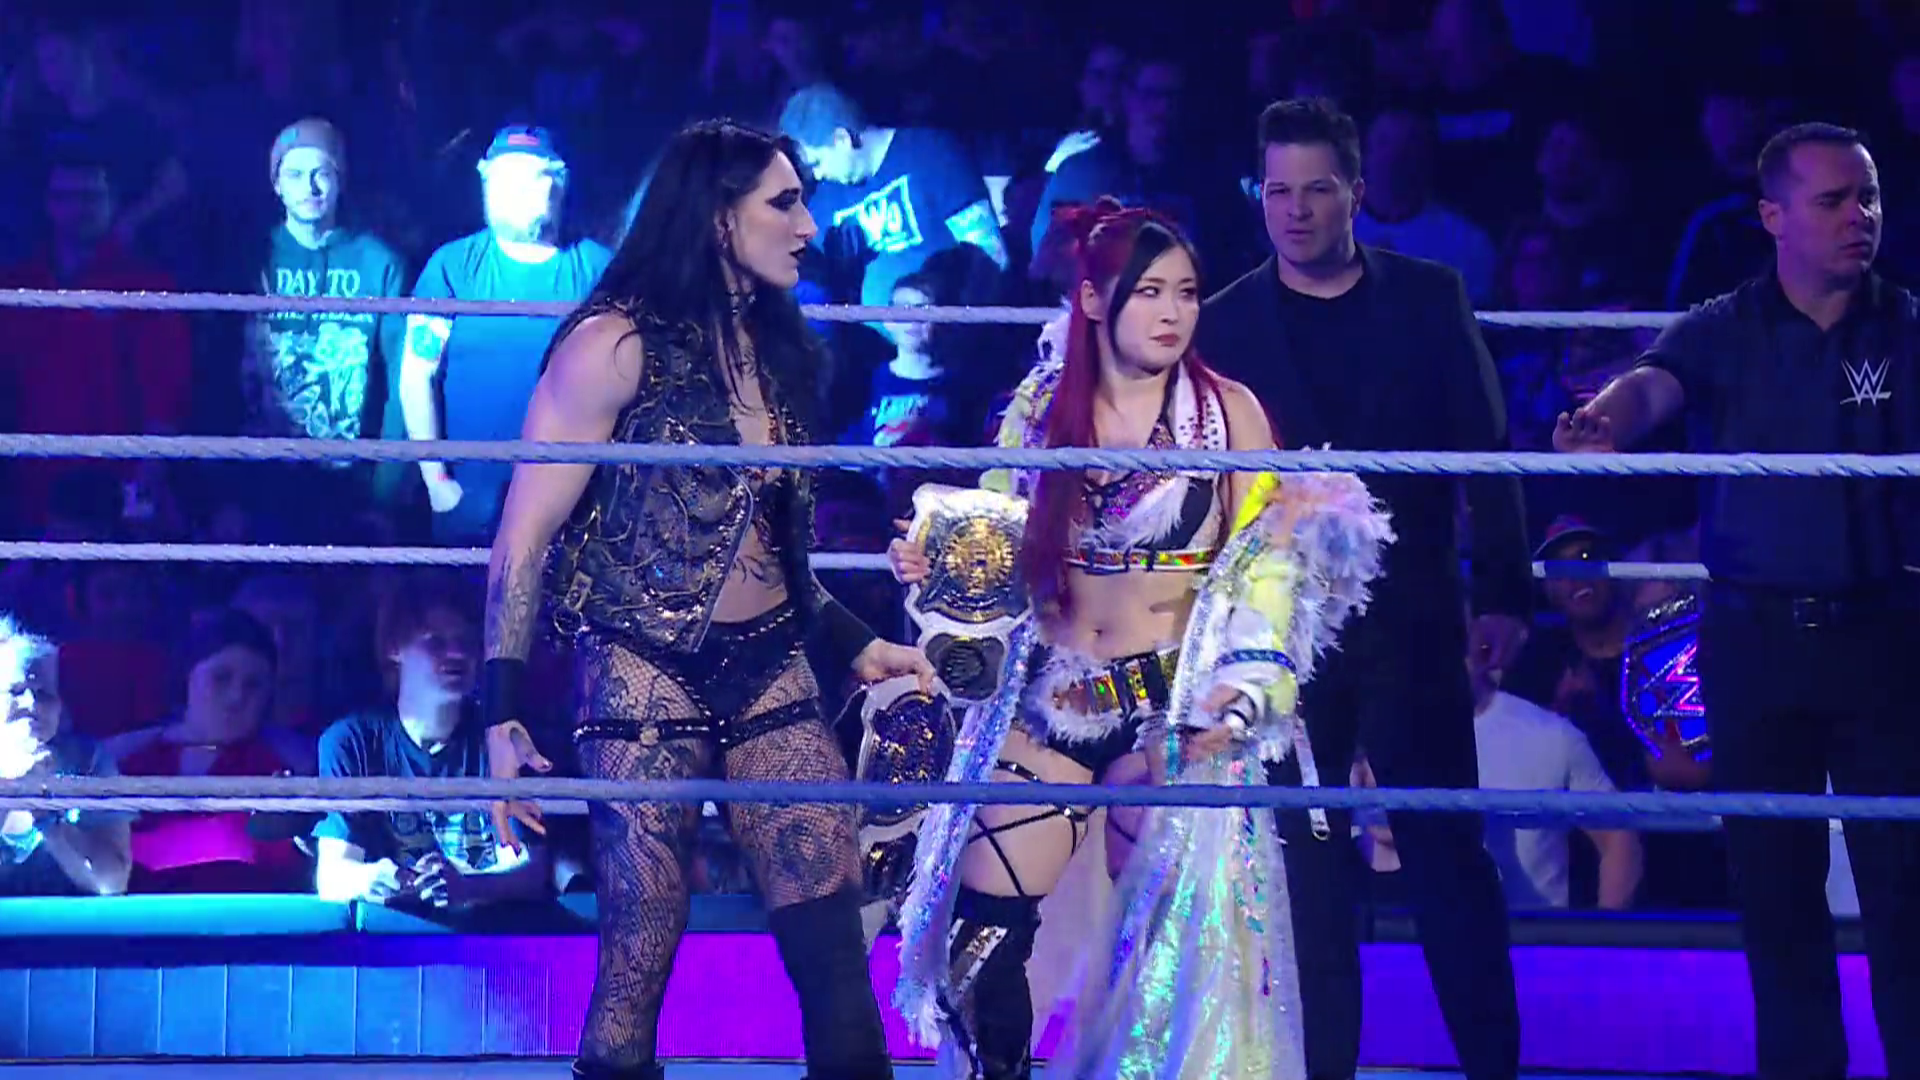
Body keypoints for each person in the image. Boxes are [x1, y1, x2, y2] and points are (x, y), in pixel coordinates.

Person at [885, 198, 1388, 1079]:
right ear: (1092, 301)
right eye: (1149, 292)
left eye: (1186, 293)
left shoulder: (1228, 416)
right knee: (980, 940)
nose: (1171, 312)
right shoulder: (1042, 408)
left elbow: (1267, 567)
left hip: (1170, 712)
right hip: (1052, 699)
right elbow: (996, 530)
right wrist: (938, 559)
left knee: (1168, 970)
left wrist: (1243, 692)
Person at [476, 119, 933, 1080]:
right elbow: (524, 533)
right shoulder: (612, 343)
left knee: (834, 946)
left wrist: (854, 643)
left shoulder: (781, 352)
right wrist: (502, 711)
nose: (808, 226)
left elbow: (770, 549)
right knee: (639, 951)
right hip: (640, 662)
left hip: (767, 658)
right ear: (719, 218)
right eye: (784, 203)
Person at [1555, 121, 1920, 1080]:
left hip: (1882, 638)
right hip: (1755, 646)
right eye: (1833, 200)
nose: (1860, 216)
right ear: (1774, 216)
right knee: (1775, 894)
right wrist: (1604, 422)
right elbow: (1653, 384)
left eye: (1869, 197)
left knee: (1906, 894)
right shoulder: (1725, 326)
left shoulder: (1907, 326)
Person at [1194, 98, 1531, 1080]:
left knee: (1445, 855)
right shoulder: (1226, 322)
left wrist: (1504, 591)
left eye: (1317, 190)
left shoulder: (1429, 297)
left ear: (1357, 192)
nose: (1295, 211)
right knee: (1305, 868)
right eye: (1278, 191)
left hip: (1413, 617)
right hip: (1281, 631)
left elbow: (1487, 453)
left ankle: (1494, 1070)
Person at [396, 125, 612, 544]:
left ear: (559, 183)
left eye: (531, 177)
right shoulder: (452, 267)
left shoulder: (598, 270)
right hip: (468, 507)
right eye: (504, 178)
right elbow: (416, 376)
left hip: (571, 511)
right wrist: (438, 483)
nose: (516, 191)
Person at [0, 614, 131, 897]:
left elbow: (113, 883)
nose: (32, 704)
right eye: (16, 691)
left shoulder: (89, 762)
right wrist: (10, 792)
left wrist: (49, 821)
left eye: (44, 693)